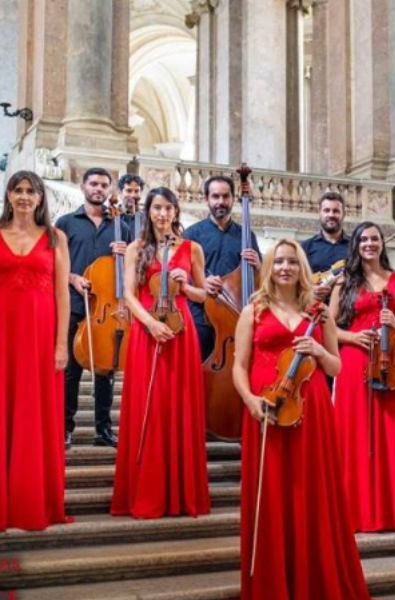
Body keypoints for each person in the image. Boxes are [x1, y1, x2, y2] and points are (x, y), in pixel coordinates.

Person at [233, 239, 372, 600]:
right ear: (268, 267)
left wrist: (320, 350)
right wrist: (249, 400)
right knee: (273, 499)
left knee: (309, 495)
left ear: (302, 267)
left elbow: (337, 366)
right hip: (266, 410)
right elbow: (238, 366)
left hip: (312, 411)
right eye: (278, 261)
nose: (285, 268)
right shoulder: (253, 310)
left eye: (292, 262)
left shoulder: (318, 311)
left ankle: (314, 581)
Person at [111, 187, 210, 519]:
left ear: (176, 211)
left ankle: (180, 493)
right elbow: (127, 294)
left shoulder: (192, 248)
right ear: (149, 211)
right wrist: (150, 325)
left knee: (178, 408)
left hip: (181, 334)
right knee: (148, 410)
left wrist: (186, 284)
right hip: (147, 332)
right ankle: (146, 491)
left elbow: (201, 296)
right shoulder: (136, 249)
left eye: (168, 208)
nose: (162, 214)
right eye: (157, 207)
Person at [330, 221, 395, 532]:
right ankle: (356, 513)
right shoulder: (345, 281)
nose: (369, 244)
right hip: (354, 361)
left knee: (393, 434)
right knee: (356, 435)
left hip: (391, 363)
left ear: (382, 244)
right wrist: (352, 337)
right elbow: (327, 327)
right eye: (363, 239)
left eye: (375, 239)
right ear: (356, 245)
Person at [0, 171, 71, 532]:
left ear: (41, 198)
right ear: (9, 196)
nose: (25, 197)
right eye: (19, 190)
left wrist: (61, 344)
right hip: (4, 336)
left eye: (31, 191)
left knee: (36, 414)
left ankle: (32, 499)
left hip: (42, 338)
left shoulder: (56, 238)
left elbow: (62, 294)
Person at [56, 167, 131, 450]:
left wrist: (125, 254)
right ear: (83, 186)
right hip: (74, 307)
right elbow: (51, 266)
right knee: (70, 373)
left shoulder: (120, 226)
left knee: (105, 373)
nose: (98, 189)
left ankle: (103, 430)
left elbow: (129, 273)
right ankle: (64, 429)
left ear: (110, 191)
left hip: (107, 311)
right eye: (94, 184)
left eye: (103, 185)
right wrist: (72, 278)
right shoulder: (65, 223)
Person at [183, 175, 261, 360]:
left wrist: (259, 266)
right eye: (215, 196)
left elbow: (260, 280)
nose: (221, 202)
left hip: (235, 312)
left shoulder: (246, 235)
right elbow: (180, 273)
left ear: (233, 199)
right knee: (198, 363)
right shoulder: (192, 234)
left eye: (225, 196)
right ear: (206, 199)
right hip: (201, 314)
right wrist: (202, 282)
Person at [301, 191, 349, 301]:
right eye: (326, 210)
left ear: (344, 214)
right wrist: (309, 290)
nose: (331, 215)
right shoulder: (306, 247)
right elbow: (295, 281)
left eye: (336, 211)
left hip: (348, 310)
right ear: (320, 213)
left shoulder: (355, 246)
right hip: (315, 309)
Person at [118, 173, 145, 239]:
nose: (133, 195)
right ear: (120, 193)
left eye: (136, 191)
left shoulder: (146, 219)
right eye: (129, 191)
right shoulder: (112, 217)